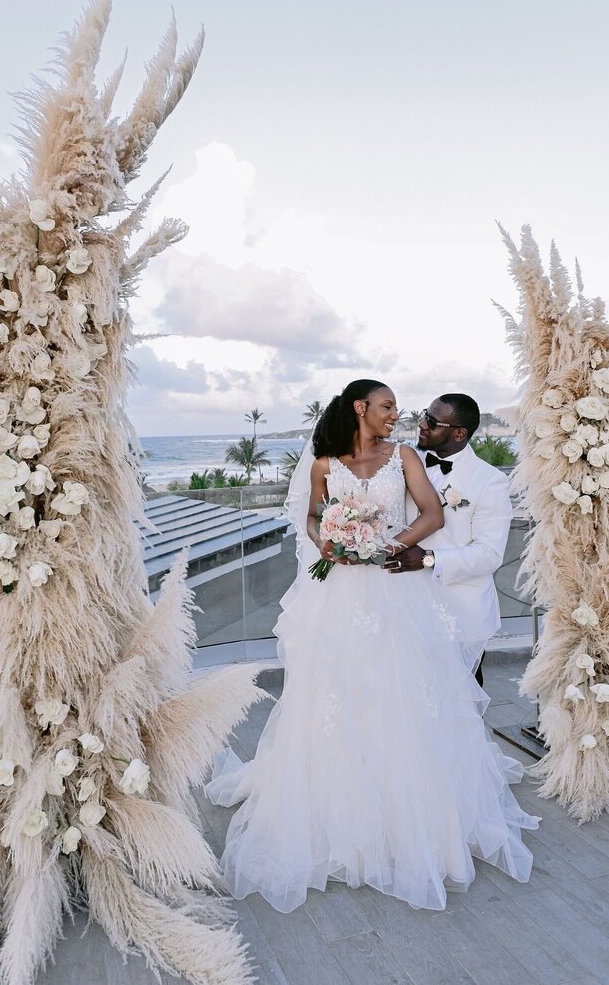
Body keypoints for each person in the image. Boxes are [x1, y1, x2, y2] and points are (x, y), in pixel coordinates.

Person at [205, 379, 537, 914]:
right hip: (334, 590)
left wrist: (385, 545)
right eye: (388, 407)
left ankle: (407, 814)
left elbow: (432, 515)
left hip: (392, 589)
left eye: (403, 411)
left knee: (398, 689)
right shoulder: (322, 463)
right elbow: (311, 517)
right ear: (359, 408)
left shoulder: (404, 457)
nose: (398, 417)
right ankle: (333, 808)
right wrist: (328, 543)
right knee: (333, 688)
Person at [385, 393, 513, 688]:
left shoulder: (490, 481)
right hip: (405, 604)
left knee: (462, 702)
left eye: (431, 421)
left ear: (458, 434)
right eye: (423, 415)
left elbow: (490, 553)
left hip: (461, 612)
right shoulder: (403, 463)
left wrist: (430, 559)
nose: (421, 424)